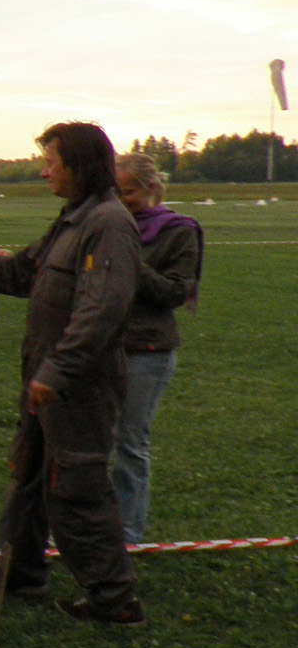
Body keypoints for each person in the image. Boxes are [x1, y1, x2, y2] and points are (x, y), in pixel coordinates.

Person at [0, 123, 145, 625]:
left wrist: (57, 373)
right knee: (29, 476)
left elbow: (101, 311)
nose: (44, 172)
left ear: (79, 165)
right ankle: (20, 570)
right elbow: (20, 271)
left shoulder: (107, 224)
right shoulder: (73, 220)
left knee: (76, 487)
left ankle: (113, 598)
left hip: (75, 388)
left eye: (51, 163)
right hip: (48, 381)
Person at [110, 150, 203, 543]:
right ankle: (89, 527)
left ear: (152, 189)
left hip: (146, 352)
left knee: (130, 444)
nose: (120, 200)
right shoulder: (110, 224)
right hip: (102, 347)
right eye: (114, 192)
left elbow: (176, 292)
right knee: (89, 445)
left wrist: (135, 265)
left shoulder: (179, 231)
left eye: (128, 192)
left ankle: (127, 533)